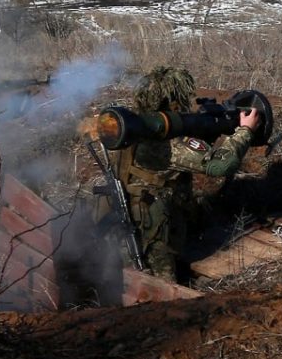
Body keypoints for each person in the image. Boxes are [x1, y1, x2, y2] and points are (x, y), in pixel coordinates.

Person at [95, 66, 259, 281]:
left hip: (123, 220)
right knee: (158, 289)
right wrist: (246, 131)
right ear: (173, 101)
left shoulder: (130, 127)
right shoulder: (169, 142)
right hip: (151, 231)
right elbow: (221, 165)